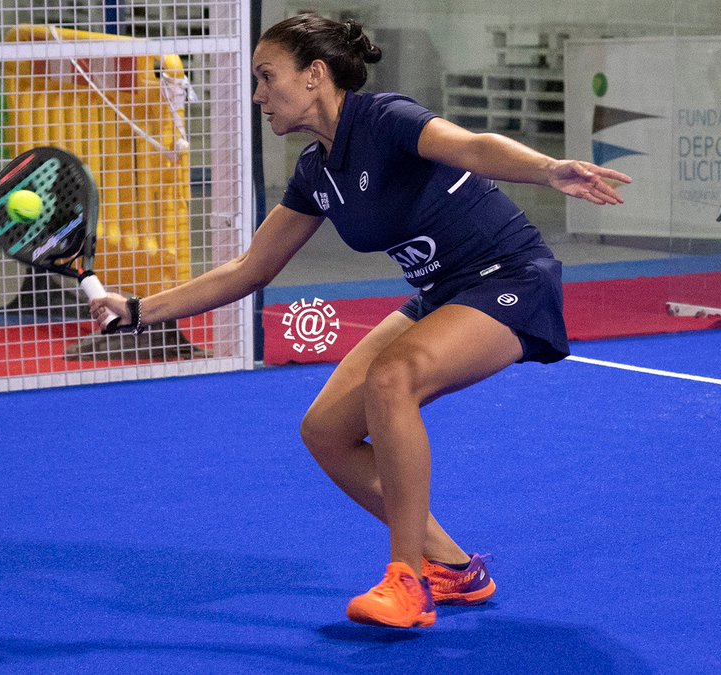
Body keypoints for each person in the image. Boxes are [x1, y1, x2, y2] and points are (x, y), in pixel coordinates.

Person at [89, 13, 631, 629]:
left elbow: (472, 147)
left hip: (509, 278)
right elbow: (248, 268)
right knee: (325, 430)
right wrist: (137, 310)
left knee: (392, 378)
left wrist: (546, 168)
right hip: (440, 293)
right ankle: (453, 568)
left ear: (315, 75)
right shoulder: (317, 172)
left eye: (268, 78)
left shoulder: (385, 120)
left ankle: (407, 582)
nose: (259, 95)